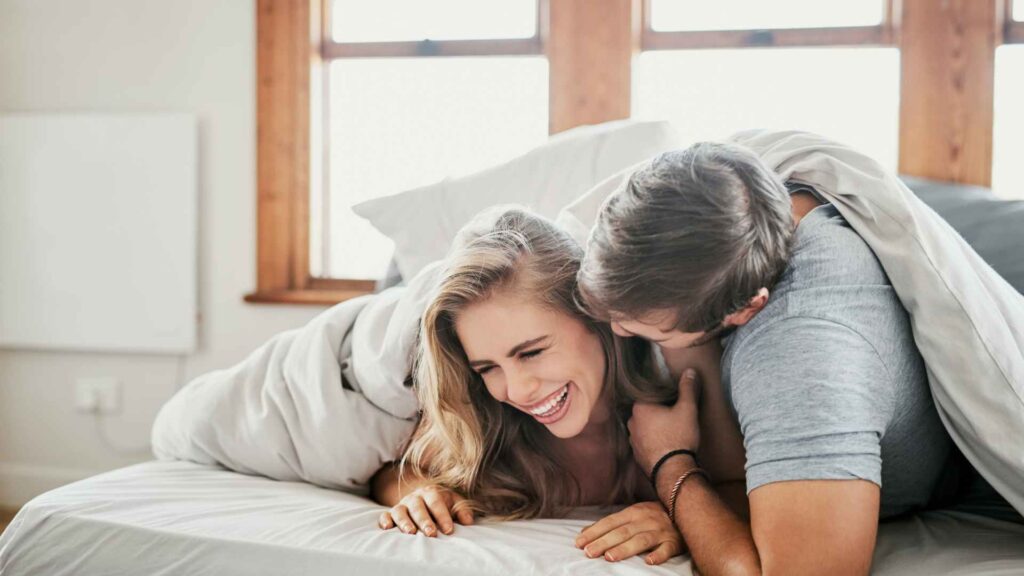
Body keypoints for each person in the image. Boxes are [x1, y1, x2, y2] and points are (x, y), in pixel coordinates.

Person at [576, 142, 962, 575]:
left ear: (745, 310)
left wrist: (670, 465)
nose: (618, 331)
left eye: (643, 326)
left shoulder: (802, 358)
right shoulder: (737, 191)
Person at [371, 207, 746, 566]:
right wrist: (422, 494)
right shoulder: (485, 420)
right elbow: (392, 475)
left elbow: (740, 492)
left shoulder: (681, 376)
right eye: (487, 368)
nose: (516, 391)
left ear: (594, 316)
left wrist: (682, 517)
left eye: (531, 352)